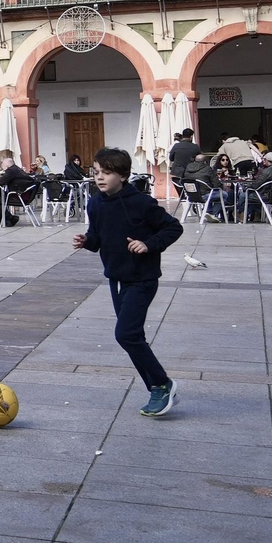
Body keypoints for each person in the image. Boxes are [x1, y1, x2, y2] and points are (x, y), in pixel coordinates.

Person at [74, 147, 183, 417]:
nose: (100, 178)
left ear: (123, 176)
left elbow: (173, 227)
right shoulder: (95, 203)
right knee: (133, 337)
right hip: (116, 279)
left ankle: (162, 384)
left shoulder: (141, 203)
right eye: (96, 172)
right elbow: (97, 238)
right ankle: (158, 388)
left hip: (142, 279)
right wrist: (86, 241)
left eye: (107, 173)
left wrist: (148, 244)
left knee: (126, 334)